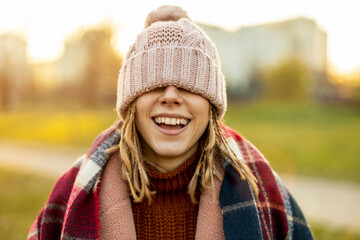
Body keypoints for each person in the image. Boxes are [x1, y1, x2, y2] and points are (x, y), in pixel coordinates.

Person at [28, 5, 313, 240]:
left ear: (212, 106)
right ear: (131, 104)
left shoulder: (262, 188)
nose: (171, 97)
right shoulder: (74, 192)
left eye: (189, 86)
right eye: (154, 85)